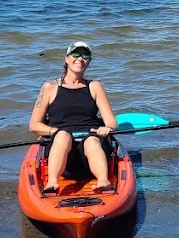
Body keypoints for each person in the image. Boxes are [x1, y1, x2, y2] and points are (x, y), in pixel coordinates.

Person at [29, 41, 118, 193]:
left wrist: (106, 128)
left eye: (85, 55)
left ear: (89, 61)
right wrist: (55, 132)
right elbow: (34, 126)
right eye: (76, 54)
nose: (80, 58)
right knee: (63, 136)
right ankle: (52, 183)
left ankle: (103, 181)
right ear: (67, 58)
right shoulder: (49, 87)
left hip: (91, 151)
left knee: (92, 141)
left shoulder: (94, 86)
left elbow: (112, 122)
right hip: (62, 154)